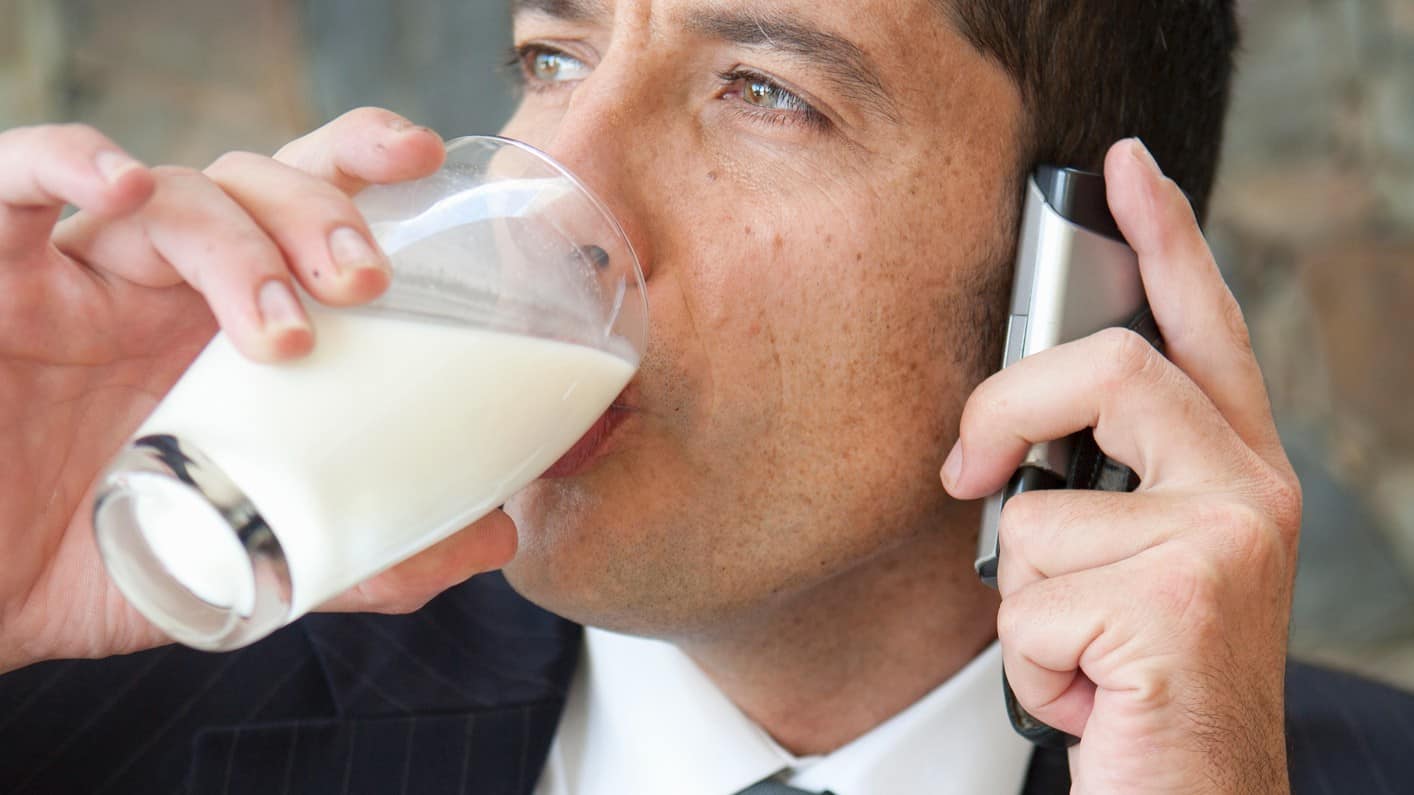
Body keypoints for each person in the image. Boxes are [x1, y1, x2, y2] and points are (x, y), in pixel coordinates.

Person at [1, 0, 1411, 793]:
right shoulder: (92, 719)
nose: (545, 207)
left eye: (764, 93)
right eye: (553, 59)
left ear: (1083, 268)